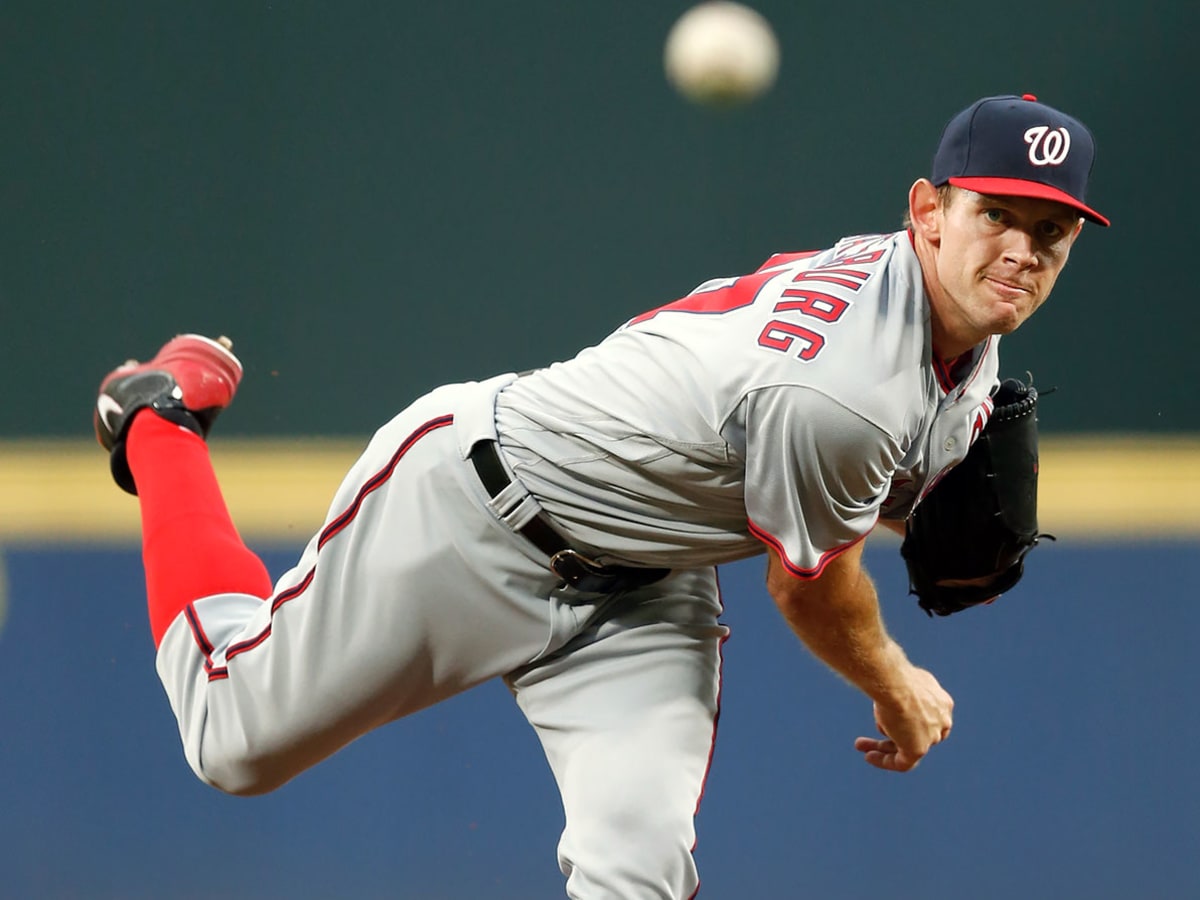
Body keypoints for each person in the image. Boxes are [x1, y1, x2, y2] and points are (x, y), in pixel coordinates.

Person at [93, 93, 1107, 899]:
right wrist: (895, 682)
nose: (1020, 250)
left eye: (1050, 232)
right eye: (996, 215)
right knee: (232, 742)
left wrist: (900, 491)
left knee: (641, 866)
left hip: (644, 590)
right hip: (475, 510)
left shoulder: (947, 325)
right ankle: (161, 417)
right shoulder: (840, 391)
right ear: (927, 214)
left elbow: (800, 451)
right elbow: (808, 588)